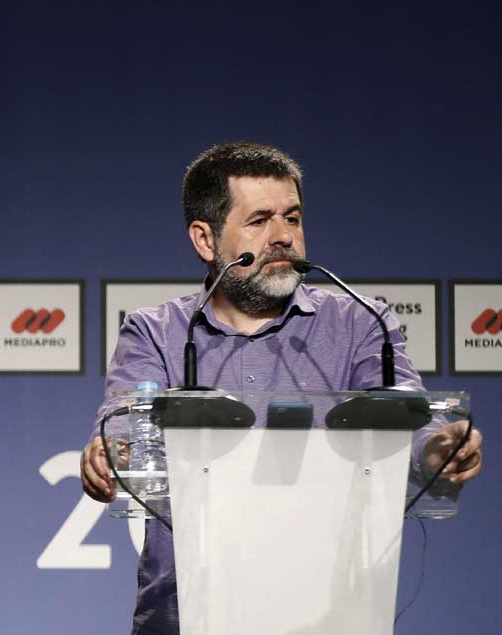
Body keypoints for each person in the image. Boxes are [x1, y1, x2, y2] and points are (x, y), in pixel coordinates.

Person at [78, 141, 484, 635]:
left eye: (292, 218)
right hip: (187, 616)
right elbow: (123, 434)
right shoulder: (155, 333)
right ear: (205, 240)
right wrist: (109, 455)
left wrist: (438, 448)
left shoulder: (362, 324)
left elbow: (411, 425)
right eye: (260, 220)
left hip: (333, 612)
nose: (283, 237)